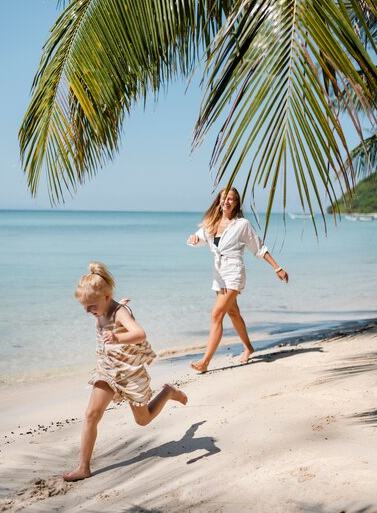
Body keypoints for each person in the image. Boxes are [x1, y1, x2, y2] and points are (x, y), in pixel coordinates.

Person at [63, 262, 188, 482]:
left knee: (143, 420)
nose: (87, 311)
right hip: (107, 371)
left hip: (130, 373)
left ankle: (167, 392)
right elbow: (107, 309)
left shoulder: (120, 313)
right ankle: (84, 467)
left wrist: (118, 336)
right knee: (91, 414)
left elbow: (140, 334)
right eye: (84, 307)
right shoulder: (104, 306)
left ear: (106, 296)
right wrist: (111, 306)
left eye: (91, 306)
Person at [187, 187, 288, 372]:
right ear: (219, 200)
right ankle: (249, 347)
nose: (227, 201)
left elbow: (258, 248)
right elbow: (199, 239)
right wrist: (194, 239)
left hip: (234, 272)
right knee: (233, 313)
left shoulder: (242, 224)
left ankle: (205, 362)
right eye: (224, 198)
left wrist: (277, 267)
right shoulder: (211, 223)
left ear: (236, 204)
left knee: (216, 315)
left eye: (231, 199)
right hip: (219, 275)